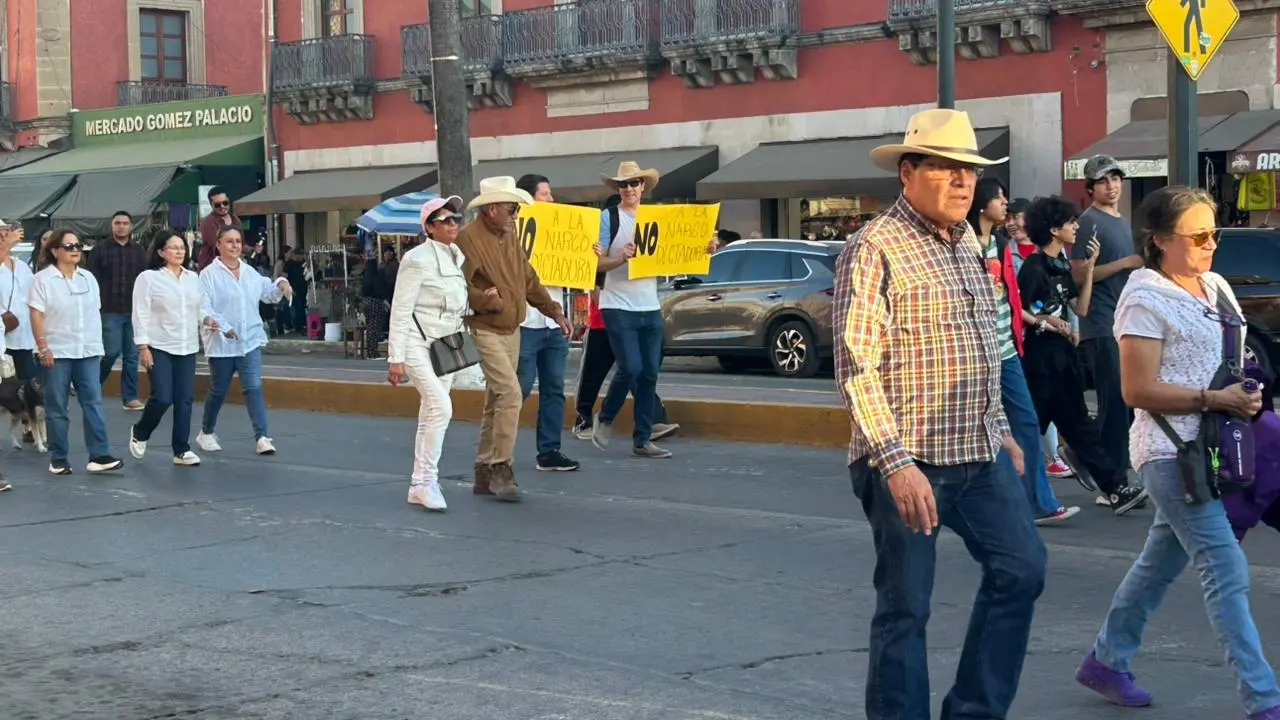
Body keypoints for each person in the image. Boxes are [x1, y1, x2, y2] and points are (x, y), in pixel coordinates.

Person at [836, 109, 1045, 719]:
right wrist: (896, 466)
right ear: (908, 172)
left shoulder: (969, 243)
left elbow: (984, 343)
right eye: (948, 169)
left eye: (971, 172)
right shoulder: (874, 247)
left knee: (1022, 570)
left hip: (979, 455)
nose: (963, 183)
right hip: (909, 460)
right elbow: (856, 367)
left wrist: (1001, 429)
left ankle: (974, 711)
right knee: (906, 608)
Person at [1076, 186, 1280, 719]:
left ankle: (1107, 659)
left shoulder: (1213, 286)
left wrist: (1248, 394)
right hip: (1171, 453)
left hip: (1220, 445)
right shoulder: (1144, 298)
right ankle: (1264, 699)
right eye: (1199, 235)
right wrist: (1214, 398)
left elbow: (1233, 360)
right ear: (1161, 240)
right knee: (1225, 568)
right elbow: (1135, 391)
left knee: (1157, 565)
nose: (1213, 244)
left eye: (1214, 232)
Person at [1019, 196, 1148, 515]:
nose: (1076, 227)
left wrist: (1089, 270)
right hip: (1040, 360)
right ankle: (1010, 495)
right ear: (1053, 229)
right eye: (1069, 223)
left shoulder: (1062, 265)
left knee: (1075, 425)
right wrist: (1046, 320)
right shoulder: (1034, 268)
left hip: (1063, 359)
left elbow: (1081, 307)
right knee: (1030, 429)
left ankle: (1115, 488)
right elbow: (1021, 307)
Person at [967, 178, 1078, 525]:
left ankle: (1038, 503)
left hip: (1006, 350)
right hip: (973, 353)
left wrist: (1035, 324)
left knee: (1026, 422)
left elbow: (1010, 299)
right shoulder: (962, 245)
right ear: (981, 205)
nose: (1004, 206)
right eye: (998, 199)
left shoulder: (999, 245)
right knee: (976, 430)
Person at [455, 176, 570, 500]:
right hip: (485, 327)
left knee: (497, 400)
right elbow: (456, 286)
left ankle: (483, 471)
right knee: (510, 394)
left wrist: (554, 311)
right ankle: (501, 469)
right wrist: (486, 300)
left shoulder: (509, 234)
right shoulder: (469, 239)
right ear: (492, 209)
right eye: (512, 209)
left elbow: (529, 279)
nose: (516, 214)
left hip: (511, 329)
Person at [591, 162, 702, 459]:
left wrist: (703, 248)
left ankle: (642, 439)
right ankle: (604, 418)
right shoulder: (608, 218)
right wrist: (620, 259)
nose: (629, 189)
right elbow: (594, 263)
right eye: (623, 185)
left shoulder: (657, 219)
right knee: (631, 367)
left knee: (649, 373)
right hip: (617, 304)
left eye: (634, 183)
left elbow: (676, 255)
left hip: (649, 305)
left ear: (643, 187)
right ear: (618, 189)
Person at [386, 195, 468, 512]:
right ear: (430, 227)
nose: (453, 224)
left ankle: (418, 483)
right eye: (445, 219)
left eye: (456, 218)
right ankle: (427, 481)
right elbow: (401, 310)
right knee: (441, 407)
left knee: (429, 413)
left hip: (446, 344)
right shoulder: (416, 258)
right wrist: (396, 357)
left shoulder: (456, 258)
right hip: (416, 343)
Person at [29, 229, 124, 475]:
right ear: (54, 250)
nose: (75, 250)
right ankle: (59, 457)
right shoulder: (43, 280)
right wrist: (43, 347)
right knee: (57, 405)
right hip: (57, 351)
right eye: (68, 246)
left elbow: (94, 314)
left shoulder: (88, 279)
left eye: (78, 246)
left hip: (88, 350)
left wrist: (98, 346)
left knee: (93, 402)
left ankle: (99, 454)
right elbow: (36, 314)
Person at [1073, 155, 1143, 472]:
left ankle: (1095, 457)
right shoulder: (1088, 222)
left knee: (1127, 398)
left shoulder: (1121, 220)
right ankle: (1112, 476)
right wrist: (1125, 263)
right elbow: (1079, 275)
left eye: (1115, 178)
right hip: (1101, 322)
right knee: (1113, 399)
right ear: (1091, 188)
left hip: (1125, 320)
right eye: (1102, 181)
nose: (1111, 185)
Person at [197, 227, 293, 456]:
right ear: (218, 245)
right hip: (222, 342)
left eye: (238, 241)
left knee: (253, 388)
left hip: (249, 340)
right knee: (219, 389)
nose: (235, 246)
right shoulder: (208, 275)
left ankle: (262, 437)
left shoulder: (249, 272)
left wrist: (281, 283)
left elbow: (267, 291)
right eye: (229, 241)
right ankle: (206, 432)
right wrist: (223, 327)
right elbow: (204, 307)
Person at [513, 173, 580, 472]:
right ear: (528, 199)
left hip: (554, 325)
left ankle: (549, 451)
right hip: (524, 323)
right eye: (545, 194)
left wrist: (587, 256)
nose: (551, 199)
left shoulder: (559, 230)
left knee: (554, 389)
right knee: (519, 389)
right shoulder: (512, 232)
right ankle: (497, 451)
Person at [128, 230, 213, 466]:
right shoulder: (148, 278)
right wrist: (143, 346)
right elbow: (140, 313)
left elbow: (199, 309)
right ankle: (140, 431)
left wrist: (207, 320)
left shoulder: (192, 278)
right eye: (173, 247)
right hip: (159, 346)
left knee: (185, 399)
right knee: (163, 397)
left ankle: (181, 450)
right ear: (160, 252)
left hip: (186, 346)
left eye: (182, 248)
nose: (179, 252)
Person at [87, 210, 146, 411]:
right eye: (117, 223)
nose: (121, 226)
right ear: (112, 226)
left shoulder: (139, 251)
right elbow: (91, 280)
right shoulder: (99, 250)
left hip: (133, 310)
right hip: (108, 310)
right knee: (110, 353)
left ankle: (130, 397)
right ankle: (92, 387)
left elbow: (144, 281)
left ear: (131, 226)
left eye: (125, 223)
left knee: (131, 356)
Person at [0, 221, 39, 382]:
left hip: (23, 336)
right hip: (3, 335)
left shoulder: (21, 266)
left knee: (26, 386)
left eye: (6, 232)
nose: (4, 237)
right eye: (1, 234)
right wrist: (7, 244)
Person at [197, 187, 242, 272]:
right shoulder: (208, 222)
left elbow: (241, 242)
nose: (222, 207)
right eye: (217, 205)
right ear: (211, 205)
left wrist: (252, 249)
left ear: (229, 201)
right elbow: (218, 247)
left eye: (225, 203)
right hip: (211, 269)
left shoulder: (235, 220)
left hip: (232, 267)